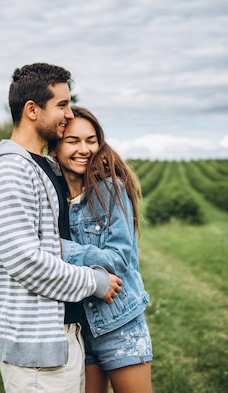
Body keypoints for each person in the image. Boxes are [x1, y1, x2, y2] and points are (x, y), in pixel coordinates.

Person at [0, 63, 124, 393]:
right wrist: (94, 281)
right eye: (61, 104)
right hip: (36, 349)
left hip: (60, 336)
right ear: (32, 109)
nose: (69, 114)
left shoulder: (44, 167)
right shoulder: (13, 171)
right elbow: (25, 261)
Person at [48, 106, 153, 393]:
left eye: (91, 140)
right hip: (77, 329)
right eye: (73, 141)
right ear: (55, 148)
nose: (84, 149)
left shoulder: (110, 190)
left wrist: (59, 248)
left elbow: (118, 261)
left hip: (118, 323)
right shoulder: (50, 195)